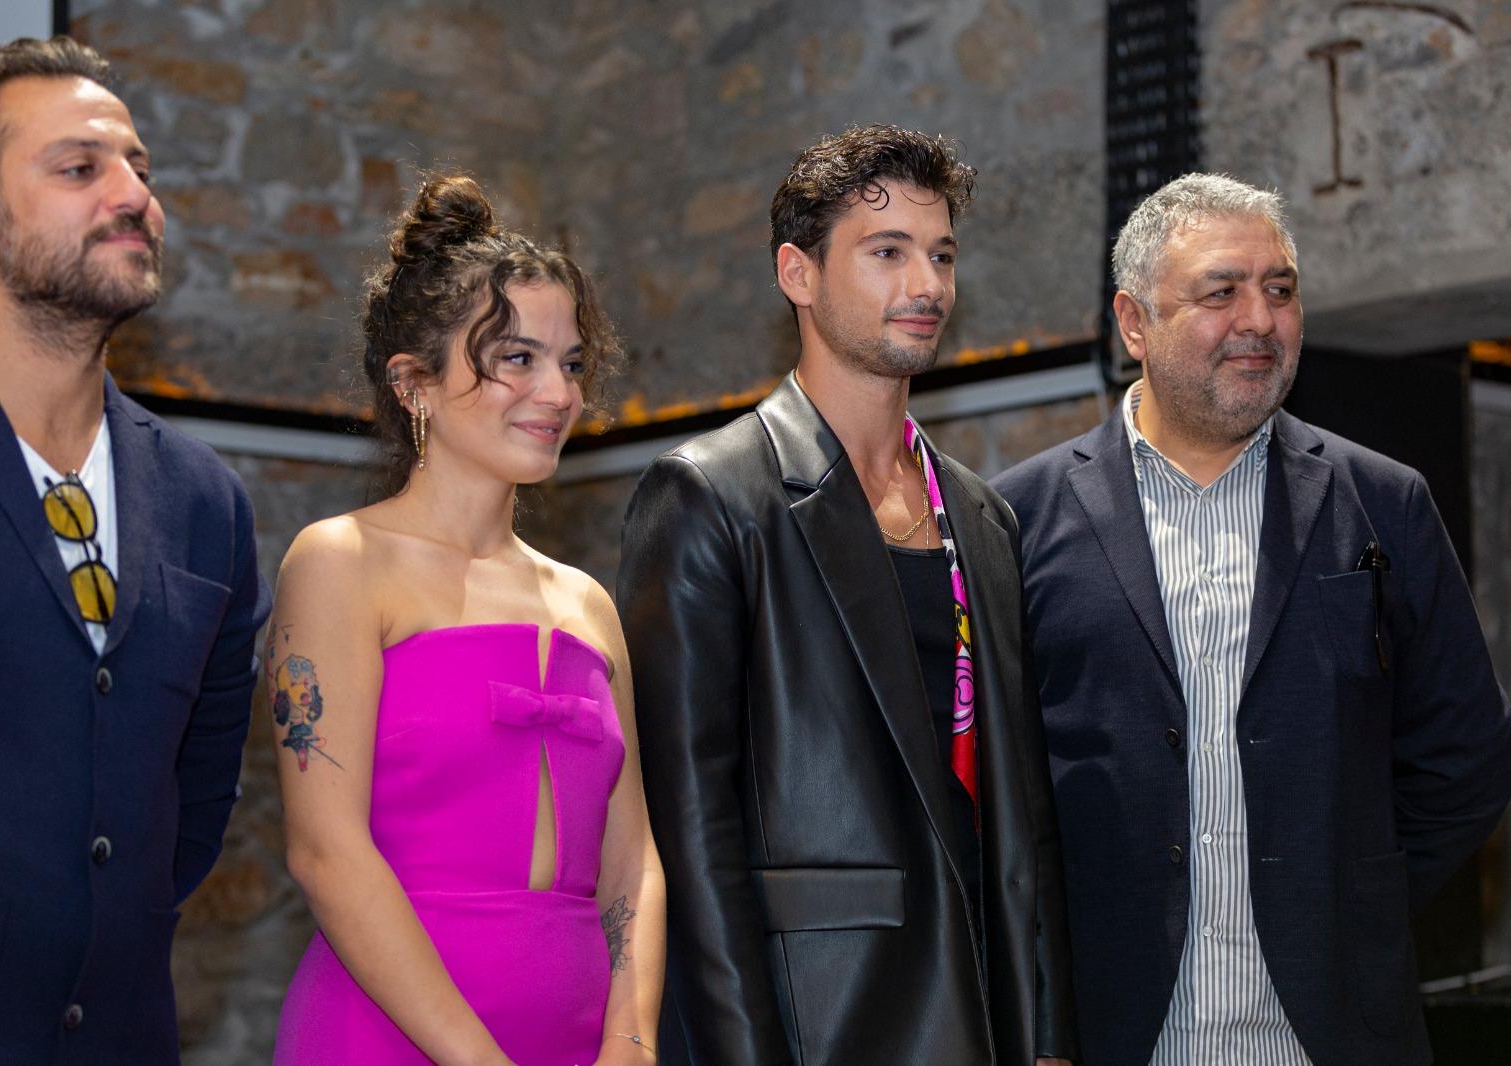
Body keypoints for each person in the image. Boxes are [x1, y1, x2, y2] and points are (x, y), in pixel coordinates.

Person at [991, 173, 1511, 1065]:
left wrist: (1352, 899)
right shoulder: (1016, 519)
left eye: (1280, 290)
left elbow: (1466, 756)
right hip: (1112, 1033)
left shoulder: (1383, 502)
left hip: (1332, 1033)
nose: (1260, 320)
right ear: (1134, 323)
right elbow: (995, 794)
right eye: (1221, 292)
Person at [617, 124, 1077, 1065]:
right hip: (824, 1016)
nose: (927, 285)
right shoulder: (709, 495)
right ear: (798, 273)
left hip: (990, 1015)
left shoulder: (983, 516)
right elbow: (690, 834)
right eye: (888, 252)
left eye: (941, 254)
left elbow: (1025, 812)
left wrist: (1050, 1035)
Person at [0, 36, 271, 1063]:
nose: (135, 197)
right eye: (80, 169)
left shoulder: (206, 501)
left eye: (139, 169)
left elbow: (195, 799)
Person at [270, 172, 664, 1066]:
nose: (558, 393)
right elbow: (326, 853)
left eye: (571, 363)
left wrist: (632, 1041)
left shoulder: (587, 605)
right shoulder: (339, 563)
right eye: (517, 358)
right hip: (385, 1039)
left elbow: (632, 859)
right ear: (414, 383)